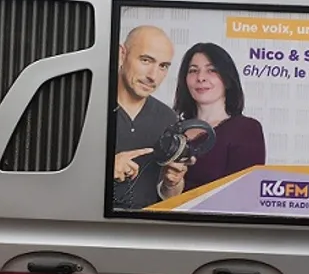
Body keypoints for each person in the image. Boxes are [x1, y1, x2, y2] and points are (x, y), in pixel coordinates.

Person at [112, 25, 192, 210]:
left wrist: (172, 183)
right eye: (146, 60)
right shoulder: (87, 106)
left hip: (143, 230)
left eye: (163, 66)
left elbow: (168, 196)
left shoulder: (168, 118)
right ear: (121, 55)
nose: (153, 76)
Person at [172, 42, 265, 192]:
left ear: (227, 80)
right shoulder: (173, 131)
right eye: (193, 71)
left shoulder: (246, 129)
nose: (201, 77)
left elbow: (245, 194)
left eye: (211, 70)